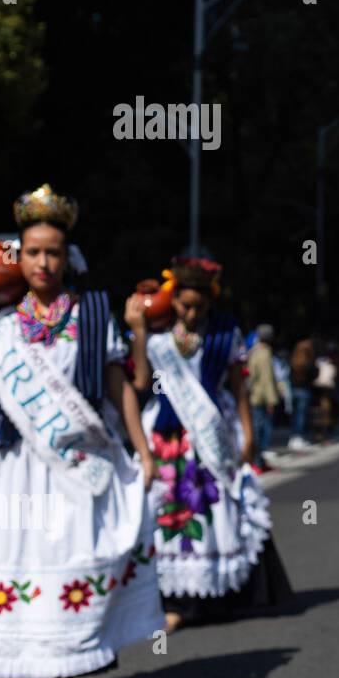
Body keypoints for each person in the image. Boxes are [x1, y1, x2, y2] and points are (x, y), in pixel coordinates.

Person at [0, 184, 163, 678]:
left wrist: (144, 451)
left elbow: (122, 389)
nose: (43, 263)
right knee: (26, 558)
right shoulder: (1, 323)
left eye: (52, 252)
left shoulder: (92, 315)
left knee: (71, 560)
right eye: (33, 252)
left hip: (76, 466)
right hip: (16, 467)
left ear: (65, 256)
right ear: (19, 256)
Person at [127, 256, 292, 632]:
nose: (191, 312)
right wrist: (138, 331)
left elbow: (239, 386)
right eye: (184, 304)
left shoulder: (224, 332)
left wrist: (249, 435)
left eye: (199, 306)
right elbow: (139, 383)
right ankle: (172, 601)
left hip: (213, 432)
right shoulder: (156, 333)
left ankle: (217, 597)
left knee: (218, 511)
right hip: (168, 436)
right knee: (171, 512)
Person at [246, 323, 278, 472]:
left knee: (256, 429)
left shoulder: (253, 351)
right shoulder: (264, 353)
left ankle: (259, 461)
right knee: (260, 430)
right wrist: (271, 399)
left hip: (253, 395)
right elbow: (266, 378)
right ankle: (258, 462)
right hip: (260, 397)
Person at [288, 336, 316, 451]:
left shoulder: (293, 361)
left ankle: (294, 437)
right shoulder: (307, 363)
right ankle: (298, 437)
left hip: (294, 390)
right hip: (304, 390)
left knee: (296, 415)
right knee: (301, 415)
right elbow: (314, 374)